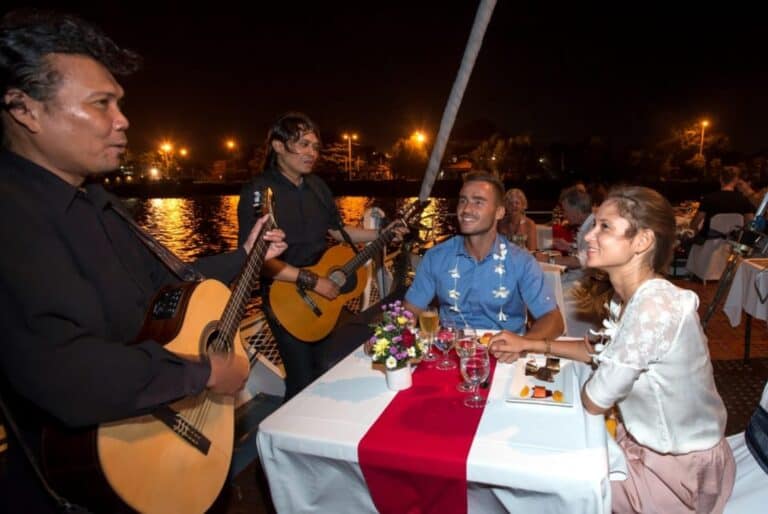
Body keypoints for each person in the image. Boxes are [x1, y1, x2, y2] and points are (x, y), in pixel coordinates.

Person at [0, 10, 287, 512]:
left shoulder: (97, 202)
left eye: (120, 103)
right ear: (26, 111)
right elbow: (65, 370)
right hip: (83, 485)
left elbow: (165, 286)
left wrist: (245, 257)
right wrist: (201, 375)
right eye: (101, 104)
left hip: (152, 449)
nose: (122, 120)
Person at [490, 186, 735, 512]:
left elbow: (595, 399)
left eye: (605, 226)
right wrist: (528, 344)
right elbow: (599, 351)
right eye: (594, 224)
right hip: (642, 448)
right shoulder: (630, 299)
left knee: (545, 484)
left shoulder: (656, 307)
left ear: (642, 241)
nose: (590, 235)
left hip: (679, 475)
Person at [237, 112, 407, 401]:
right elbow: (256, 258)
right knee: (301, 379)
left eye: (315, 147)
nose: (311, 153)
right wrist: (313, 281)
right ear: (278, 146)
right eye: (303, 144)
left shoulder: (317, 186)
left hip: (323, 293)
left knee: (322, 371)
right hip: (286, 293)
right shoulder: (259, 192)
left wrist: (382, 234)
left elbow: (338, 232)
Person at [404, 171, 563, 339]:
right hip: (451, 353)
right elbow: (410, 311)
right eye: (463, 200)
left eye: (478, 202)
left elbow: (554, 321)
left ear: (499, 212)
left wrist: (522, 344)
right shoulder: (436, 257)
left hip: (506, 357)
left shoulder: (521, 261)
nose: (466, 209)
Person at [690, 165, 753, 240]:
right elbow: (750, 225)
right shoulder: (744, 200)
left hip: (708, 245)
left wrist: (698, 237)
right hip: (732, 246)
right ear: (735, 181)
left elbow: (694, 225)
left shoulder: (709, 198)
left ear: (720, 179)